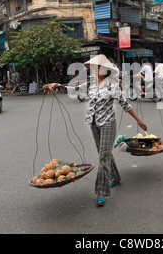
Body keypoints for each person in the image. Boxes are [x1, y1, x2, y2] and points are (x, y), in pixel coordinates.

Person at [43, 54, 147, 207]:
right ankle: (115, 177)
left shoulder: (112, 85)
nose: (92, 70)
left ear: (103, 69)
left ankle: (101, 191)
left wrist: (139, 120)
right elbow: (73, 87)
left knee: (103, 155)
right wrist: (56, 85)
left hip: (108, 123)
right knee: (103, 153)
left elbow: (125, 104)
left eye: (95, 67)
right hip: (93, 122)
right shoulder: (90, 84)